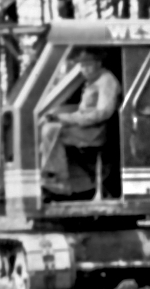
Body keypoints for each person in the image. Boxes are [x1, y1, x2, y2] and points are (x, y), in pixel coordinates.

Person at [40, 47, 122, 200]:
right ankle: (49, 175)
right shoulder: (92, 81)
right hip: (85, 127)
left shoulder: (106, 81)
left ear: (99, 63)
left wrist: (68, 119)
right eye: (82, 66)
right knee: (47, 126)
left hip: (95, 131)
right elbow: (83, 111)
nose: (85, 70)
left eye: (88, 65)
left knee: (50, 131)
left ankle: (59, 180)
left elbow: (103, 113)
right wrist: (60, 116)